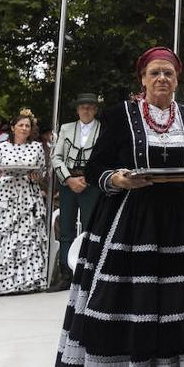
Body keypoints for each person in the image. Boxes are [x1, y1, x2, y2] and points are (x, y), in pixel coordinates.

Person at [55, 46, 184, 367]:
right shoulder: (120, 115)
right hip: (130, 220)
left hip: (182, 223)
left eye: (168, 73)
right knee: (127, 304)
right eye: (155, 73)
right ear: (143, 79)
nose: (162, 79)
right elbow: (98, 164)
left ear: (177, 79)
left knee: (175, 304)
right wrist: (116, 179)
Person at [0, 110, 48, 295]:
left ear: (31, 129)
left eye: (27, 126)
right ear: (13, 127)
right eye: (21, 125)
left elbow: (41, 174)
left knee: (26, 238)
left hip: (28, 195)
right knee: (2, 236)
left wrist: (36, 176)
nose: (24, 128)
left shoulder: (37, 147)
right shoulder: (0, 147)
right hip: (5, 196)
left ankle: (27, 282)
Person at [51, 94, 102, 289]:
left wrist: (88, 178)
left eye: (90, 107)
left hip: (91, 184)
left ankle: (90, 270)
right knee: (66, 228)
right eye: (83, 107)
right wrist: (68, 179)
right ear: (77, 110)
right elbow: (56, 157)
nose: (86, 110)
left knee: (92, 227)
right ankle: (66, 272)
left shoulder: (102, 130)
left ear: (95, 110)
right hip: (68, 183)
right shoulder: (66, 128)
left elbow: (104, 157)